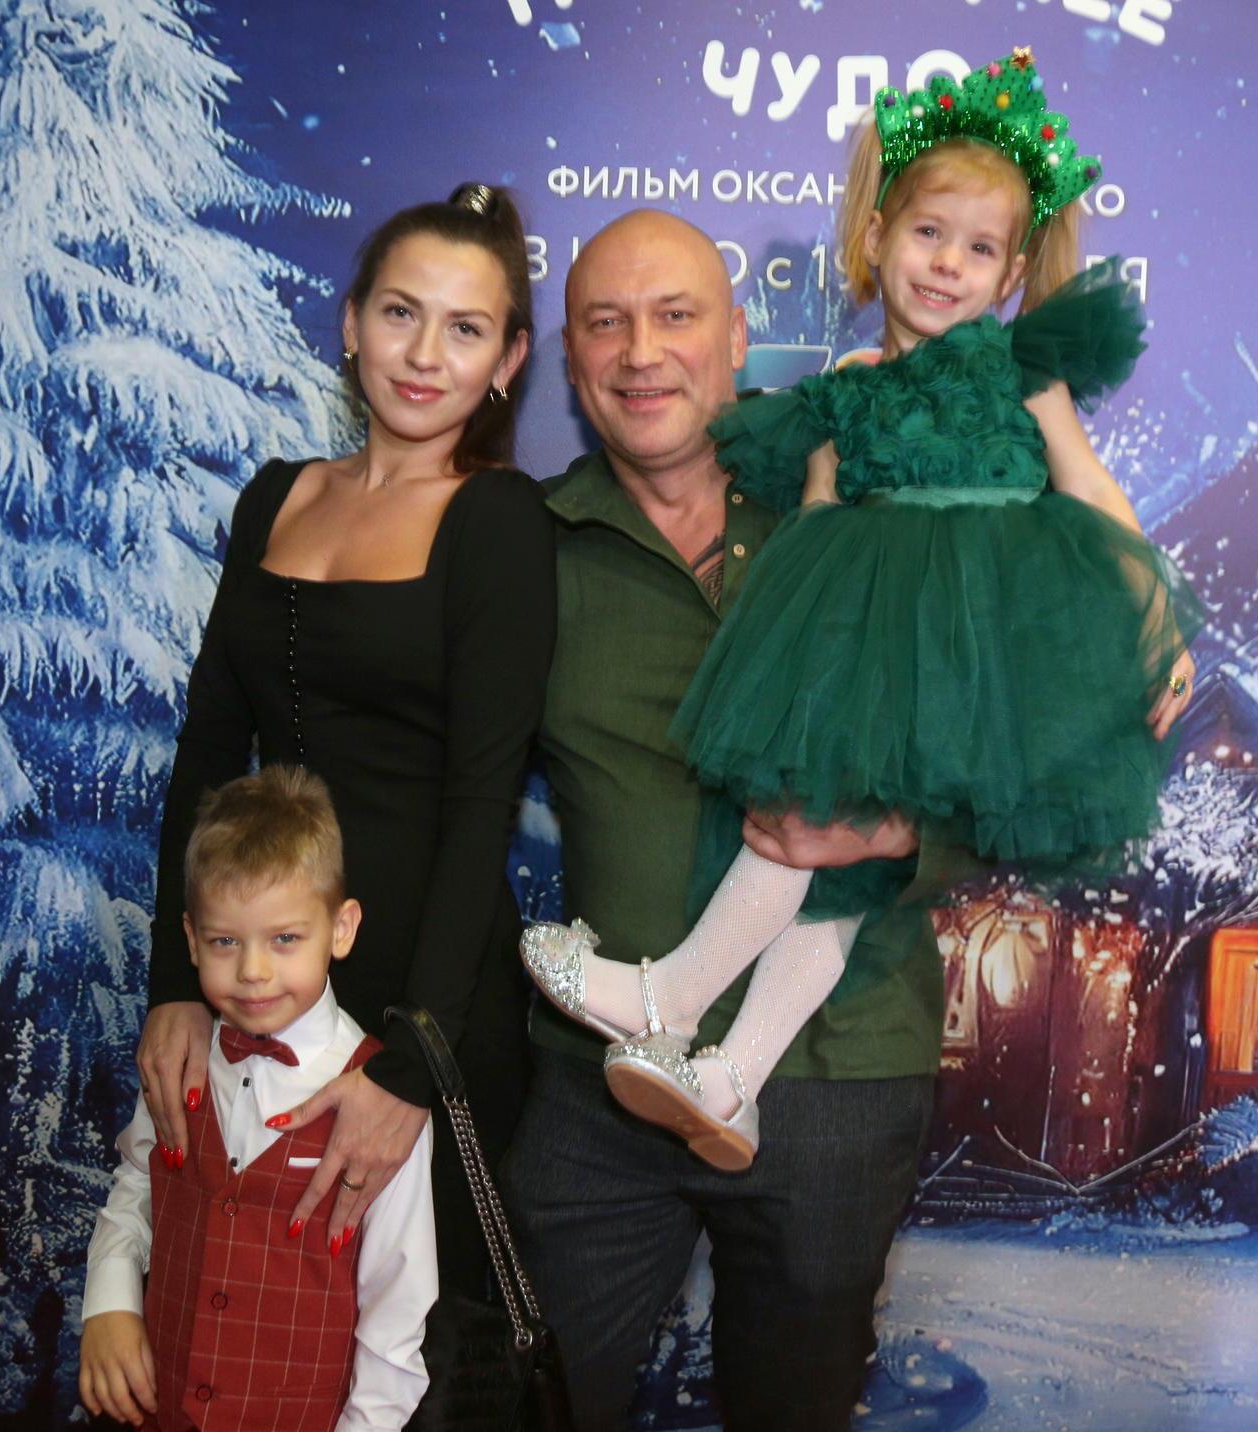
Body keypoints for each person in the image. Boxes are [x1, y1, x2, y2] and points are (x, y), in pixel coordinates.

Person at [522, 50, 1204, 1171]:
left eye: (978, 249)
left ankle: (667, 996)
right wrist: (796, 660)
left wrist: (1154, 619)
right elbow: (817, 518)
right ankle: (728, 1077)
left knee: (826, 837)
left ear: (1013, 271)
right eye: (928, 233)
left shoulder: (1021, 376)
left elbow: (1090, 491)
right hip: (868, 645)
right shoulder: (844, 384)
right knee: (826, 858)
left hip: (967, 651)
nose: (946, 265)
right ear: (876, 235)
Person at [497, 207, 937, 1428]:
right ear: (571, 361)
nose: (642, 352)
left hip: (837, 1070)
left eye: (675, 315)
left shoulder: (858, 502)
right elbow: (432, 776)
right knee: (526, 1401)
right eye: (606, 323)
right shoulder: (527, 545)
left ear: (738, 337)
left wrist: (901, 834)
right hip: (600, 1080)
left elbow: (1001, 740)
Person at [131, 185, 555, 1338]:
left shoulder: (498, 520)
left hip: (424, 995)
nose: (423, 354)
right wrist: (177, 983)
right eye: (401, 313)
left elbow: (482, 801)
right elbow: (207, 755)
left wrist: (413, 1062)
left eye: (465, 328)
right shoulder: (275, 495)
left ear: (507, 360)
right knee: (244, 1330)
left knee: (402, 1354)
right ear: (352, 321)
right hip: (261, 977)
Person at [80, 766, 436, 1430]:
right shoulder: (180, 1061)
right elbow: (138, 1182)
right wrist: (110, 1302)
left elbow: (397, 1309)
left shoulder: (382, 1100)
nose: (252, 971)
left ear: (341, 929)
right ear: (191, 940)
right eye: (225, 941)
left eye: (284, 939)